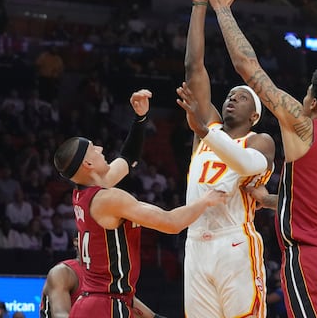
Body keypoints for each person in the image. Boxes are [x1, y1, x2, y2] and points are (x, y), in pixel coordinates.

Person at [203, 0, 317, 318]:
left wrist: (223, 8)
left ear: (313, 103)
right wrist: (272, 200)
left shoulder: (305, 128)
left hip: (312, 262)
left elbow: (248, 66)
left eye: (306, 93)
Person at [53, 89, 227, 318]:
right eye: (94, 148)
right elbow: (170, 223)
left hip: (98, 302)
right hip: (105, 305)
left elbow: (127, 158)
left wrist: (140, 118)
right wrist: (206, 201)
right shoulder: (109, 199)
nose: (101, 149)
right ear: (87, 163)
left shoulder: (86, 193)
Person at [175, 0, 276, 318]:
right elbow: (194, 68)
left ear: (255, 114)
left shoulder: (259, 140)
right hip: (195, 242)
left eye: (242, 97)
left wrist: (204, 130)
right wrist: (198, 5)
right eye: (230, 95)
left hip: (233, 241)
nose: (232, 97)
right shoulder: (207, 130)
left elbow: (249, 165)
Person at [39, 255, 165, 318]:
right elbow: (60, 314)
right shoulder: (63, 272)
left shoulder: (104, 274)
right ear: (77, 241)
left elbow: (128, 302)